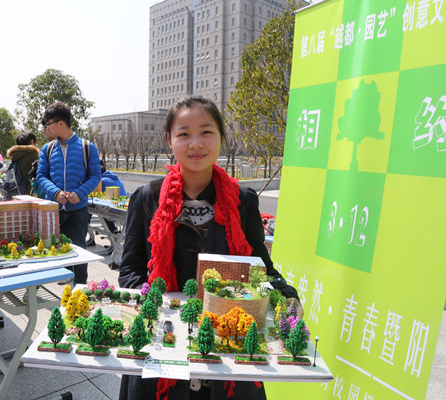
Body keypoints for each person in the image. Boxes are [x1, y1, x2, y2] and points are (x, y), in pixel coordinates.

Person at [118, 96, 302, 400]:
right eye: (183, 134)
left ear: (221, 137)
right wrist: (155, 303)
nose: (196, 143)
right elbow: (130, 271)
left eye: (206, 132)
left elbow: (261, 269)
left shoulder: (243, 201)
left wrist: (287, 294)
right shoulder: (146, 198)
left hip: (230, 345)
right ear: (169, 140)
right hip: (163, 346)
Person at [36, 102, 101, 285]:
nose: (46, 128)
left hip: (77, 211)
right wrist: (55, 192)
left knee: (79, 253)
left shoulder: (87, 147)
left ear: (60, 123)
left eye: (48, 124)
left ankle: (80, 290)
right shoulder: (47, 149)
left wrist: (79, 193)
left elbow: (95, 175)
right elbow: (41, 175)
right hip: (54, 211)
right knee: (52, 251)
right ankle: (55, 285)